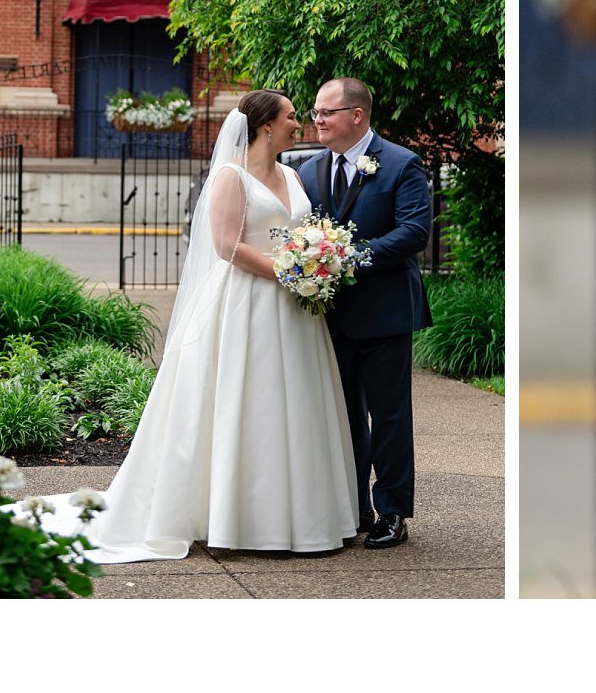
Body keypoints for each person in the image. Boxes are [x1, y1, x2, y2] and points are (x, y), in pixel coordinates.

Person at [30, 90, 359, 561]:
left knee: (296, 405)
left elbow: (300, 233)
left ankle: (301, 517)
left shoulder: (291, 173)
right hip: (246, 305)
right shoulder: (231, 176)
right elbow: (226, 245)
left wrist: (315, 264)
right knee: (245, 402)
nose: (298, 123)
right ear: (266, 125)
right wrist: (289, 274)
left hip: (295, 312)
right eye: (290, 116)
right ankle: (233, 516)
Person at [299, 78, 433, 549]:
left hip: (385, 311)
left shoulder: (401, 163)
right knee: (343, 416)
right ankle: (352, 506)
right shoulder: (309, 169)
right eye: (315, 112)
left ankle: (393, 511)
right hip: (329, 314)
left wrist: (351, 256)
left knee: (389, 416)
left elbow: (415, 231)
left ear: (357, 115)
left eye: (326, 112)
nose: (317, 119)